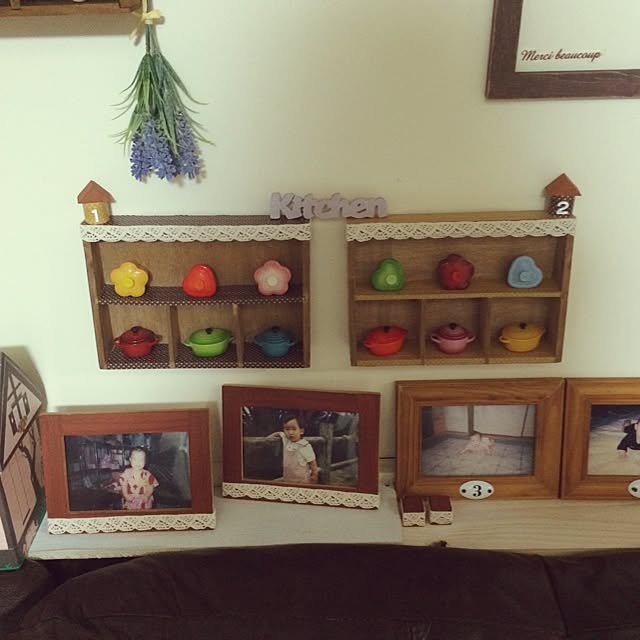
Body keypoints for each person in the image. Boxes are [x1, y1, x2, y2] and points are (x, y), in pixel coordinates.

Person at [267, 414, 319, 484]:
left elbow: (312, 462)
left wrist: (314, 475)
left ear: (301, 431)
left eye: (294, 429)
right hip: (288, 478)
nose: (290, 432)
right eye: (287, 429)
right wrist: (268, 438)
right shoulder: (286, 440)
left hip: (302, 480)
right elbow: (279, 433)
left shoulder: (305, 445)